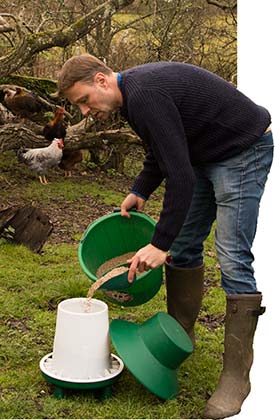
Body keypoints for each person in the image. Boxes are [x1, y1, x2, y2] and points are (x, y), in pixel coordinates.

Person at [58, 54, 273, 419]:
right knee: (186, 246)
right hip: (203, 154)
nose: (84, 112)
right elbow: (162, 153)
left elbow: (180, 178)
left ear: (101, 80)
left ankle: (237, 377)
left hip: (242, 150)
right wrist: (140, 188)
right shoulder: (131, 99)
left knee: (232, 253)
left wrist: (160, 244)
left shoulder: (146, 96)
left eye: (84, 100)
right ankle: (181, 336)